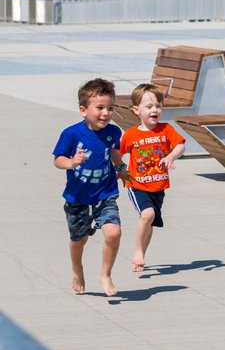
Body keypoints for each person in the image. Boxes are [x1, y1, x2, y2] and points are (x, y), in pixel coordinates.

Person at [52, 78, 128, 297]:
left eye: (110, 108)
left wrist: (121, 168)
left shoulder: (113, 132)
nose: (106, 113)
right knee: (79, 239)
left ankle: (105, 274)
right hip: (77, 197)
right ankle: (77, 269)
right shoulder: (72, 134)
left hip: (105, 192)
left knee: (113, 232)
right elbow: (58, 160)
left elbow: (112, 151)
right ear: (83, 110)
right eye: (100, 108)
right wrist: (72, 162)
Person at [119, 83, 186, 273]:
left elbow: (180, 145)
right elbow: (117, 154)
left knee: (150, 220)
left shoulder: (166, 130)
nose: (154, 110)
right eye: (149, 107)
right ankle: (138, 251)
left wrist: (170, 157)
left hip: (158, 186)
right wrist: (118, 171)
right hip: (137, 184)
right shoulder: (130, 135)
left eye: (158, 106)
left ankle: (140, 257)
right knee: (147, 214)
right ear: (136, 110)